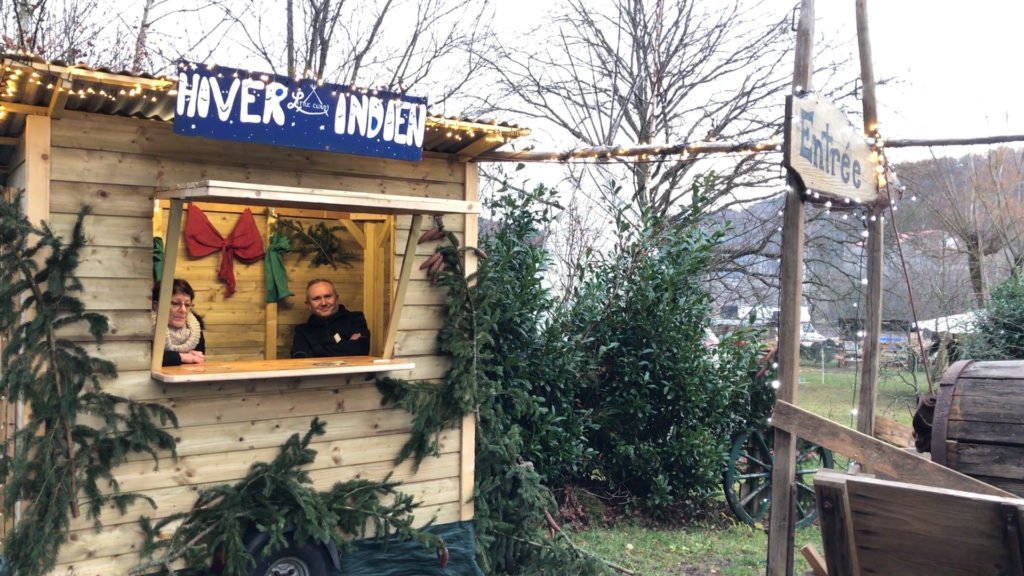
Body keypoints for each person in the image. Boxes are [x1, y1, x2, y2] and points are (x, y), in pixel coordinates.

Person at [291, 278, 370, 358]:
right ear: (308, 305)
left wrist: (313, 351)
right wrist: (347, 346)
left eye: (328, 296)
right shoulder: (302, 331)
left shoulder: (355, 319)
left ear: (336, 298)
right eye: (316, 298)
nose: (323, 303)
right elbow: (299, 357)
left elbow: (360, 349)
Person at [152, 279, 206, 366]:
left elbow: (198, 359)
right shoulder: (146, 327)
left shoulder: (194, 330)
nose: (183, 310)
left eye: (187, 305)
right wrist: (182, 357)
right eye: (176, 303)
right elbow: (144, 357)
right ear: (156, 306)